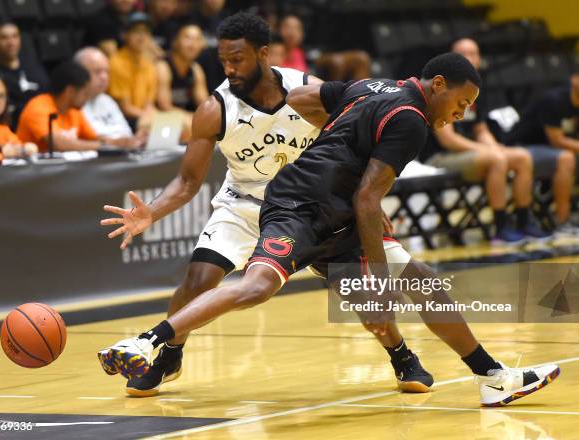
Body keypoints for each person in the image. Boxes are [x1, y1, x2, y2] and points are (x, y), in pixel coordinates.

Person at [98, 52, 560, 407]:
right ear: (437, 85)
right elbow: (366, 199)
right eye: (461, 103)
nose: (461, 114)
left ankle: (491, 377)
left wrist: (342, 142)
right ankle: (148, 341)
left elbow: (299, 101)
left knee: (419, 280)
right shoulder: (412, 121)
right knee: (259, 286)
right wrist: (377, 280)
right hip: (302, 205)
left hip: (334, 211)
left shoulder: (373, 86)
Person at [97, 12, 434, 398]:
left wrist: (368, 203)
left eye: (237, 59)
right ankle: (170, 353)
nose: (229, 68)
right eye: (223, 60)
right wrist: (151, 212)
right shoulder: (214, 109)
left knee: (358, 291)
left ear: (263, 53)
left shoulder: (308, 91)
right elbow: (188, 181)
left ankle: (401, 354)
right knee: (198, 280)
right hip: (246, 203)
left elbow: (349, 146)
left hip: (311, 205)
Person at [421, 38, 549, 244]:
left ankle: (525, 222)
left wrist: (494, 147)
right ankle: (501, 227)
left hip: (470, 153)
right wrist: (489, 152)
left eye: (474, 53)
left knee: (522, 157)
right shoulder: (445, 86)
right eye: (464, 54)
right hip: (439, 158)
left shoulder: (474, 89)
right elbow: (448, 140)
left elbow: (481, 129)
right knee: (497, 160)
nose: (470, 58)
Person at [506, 67, 579, 232]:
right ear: (574, 79)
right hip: (521, 147)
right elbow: (557, 141)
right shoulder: (554, 100)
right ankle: (562, 221)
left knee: (568, 156)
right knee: (566, 158)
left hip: (548, 148)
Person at [17, 61, 138, 152]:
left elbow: (93, 139)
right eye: (85, 93)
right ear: (70, 91)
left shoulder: (73, 110)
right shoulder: (38, 107)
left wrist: (117, 142)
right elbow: (59, 145)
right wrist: (109, 145)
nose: (87, 98)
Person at [74, 47, 145, 147]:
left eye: (106, 71)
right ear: (78, 72)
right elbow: (81, 139)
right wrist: (114, 143)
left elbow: (126, 134)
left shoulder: (107, 101)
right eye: (97, 72)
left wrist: (138, 139)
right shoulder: (72, 103)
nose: (104, 77)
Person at [0, 19, 49, 128]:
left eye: (15, 36)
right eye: (4, 38)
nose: (11, 42)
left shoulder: (32, 65)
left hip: (43, 124)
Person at [108, 12, 158, 130]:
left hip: (142, 116)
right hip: (122, 120)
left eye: (146, 32)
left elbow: (149, 104)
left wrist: (155, 116)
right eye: (136, 31)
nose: (142, 36)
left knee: (180, 122)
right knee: (152, 124)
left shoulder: (149, 64)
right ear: (125, 35)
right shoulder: (117, 62)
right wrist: (152, 117)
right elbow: (125, 108)